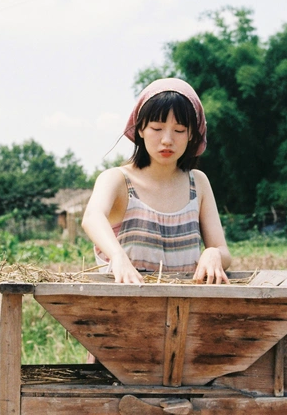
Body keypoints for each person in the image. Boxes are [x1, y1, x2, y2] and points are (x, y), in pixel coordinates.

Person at [82, 78, 231, 284]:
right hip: (122, 310)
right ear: (140, 129)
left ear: (190, 135)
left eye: (179, 130)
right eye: (157, 128)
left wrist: (214, 254)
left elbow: (223, 251)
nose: (167, 139)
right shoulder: (117, 180)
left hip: (185, 311)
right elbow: (92, 217)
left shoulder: (198, 183)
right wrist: (118, 257)